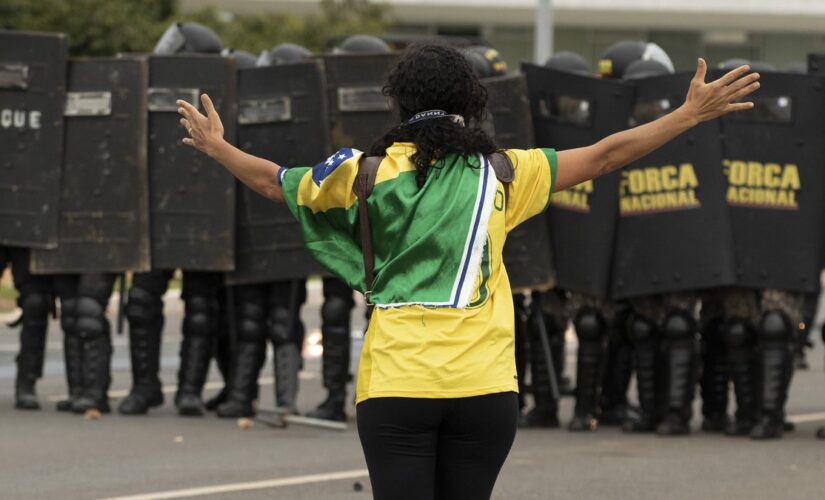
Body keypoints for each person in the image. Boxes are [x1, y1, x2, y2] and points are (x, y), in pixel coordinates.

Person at [178, 43, 758, 499]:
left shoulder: (361, 173)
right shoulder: (505, 173)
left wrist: (217, 146)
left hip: (396, 387)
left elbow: (272, 182)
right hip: (486, 390)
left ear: (399, 104)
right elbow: (606, 155)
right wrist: (687, 114)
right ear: (470, 103)